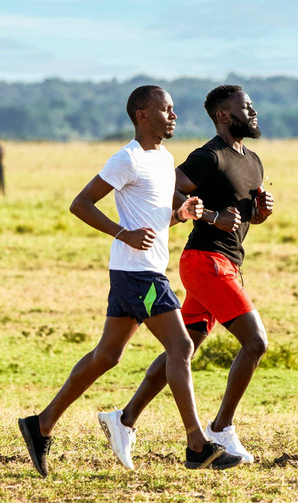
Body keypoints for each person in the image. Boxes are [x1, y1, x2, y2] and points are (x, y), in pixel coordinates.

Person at [18, 85, 242, 476]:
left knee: (107, 356)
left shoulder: (164, 159)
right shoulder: (127, 159)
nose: (173, 115)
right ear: (143, 115)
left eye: (173, 109)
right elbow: (80, 204)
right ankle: (196, 444)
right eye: (166, 109)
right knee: (181, 345)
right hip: (139, 273)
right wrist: (123, 233)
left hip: (136, 271)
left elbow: (156, 219)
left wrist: (183, 213)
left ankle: (41, 425)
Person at [98, 84, 274, 469]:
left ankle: (123, 419)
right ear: (224, 115)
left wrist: (259, 213)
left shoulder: (253, 161)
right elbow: (169, 193)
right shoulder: (207, 157)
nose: (254, 111)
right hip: (205, 263)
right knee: (255, 343)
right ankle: (220, 429)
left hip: (228, 262)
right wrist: (208, 215)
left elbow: (241, 220)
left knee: (182, 350)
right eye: (246, 107)